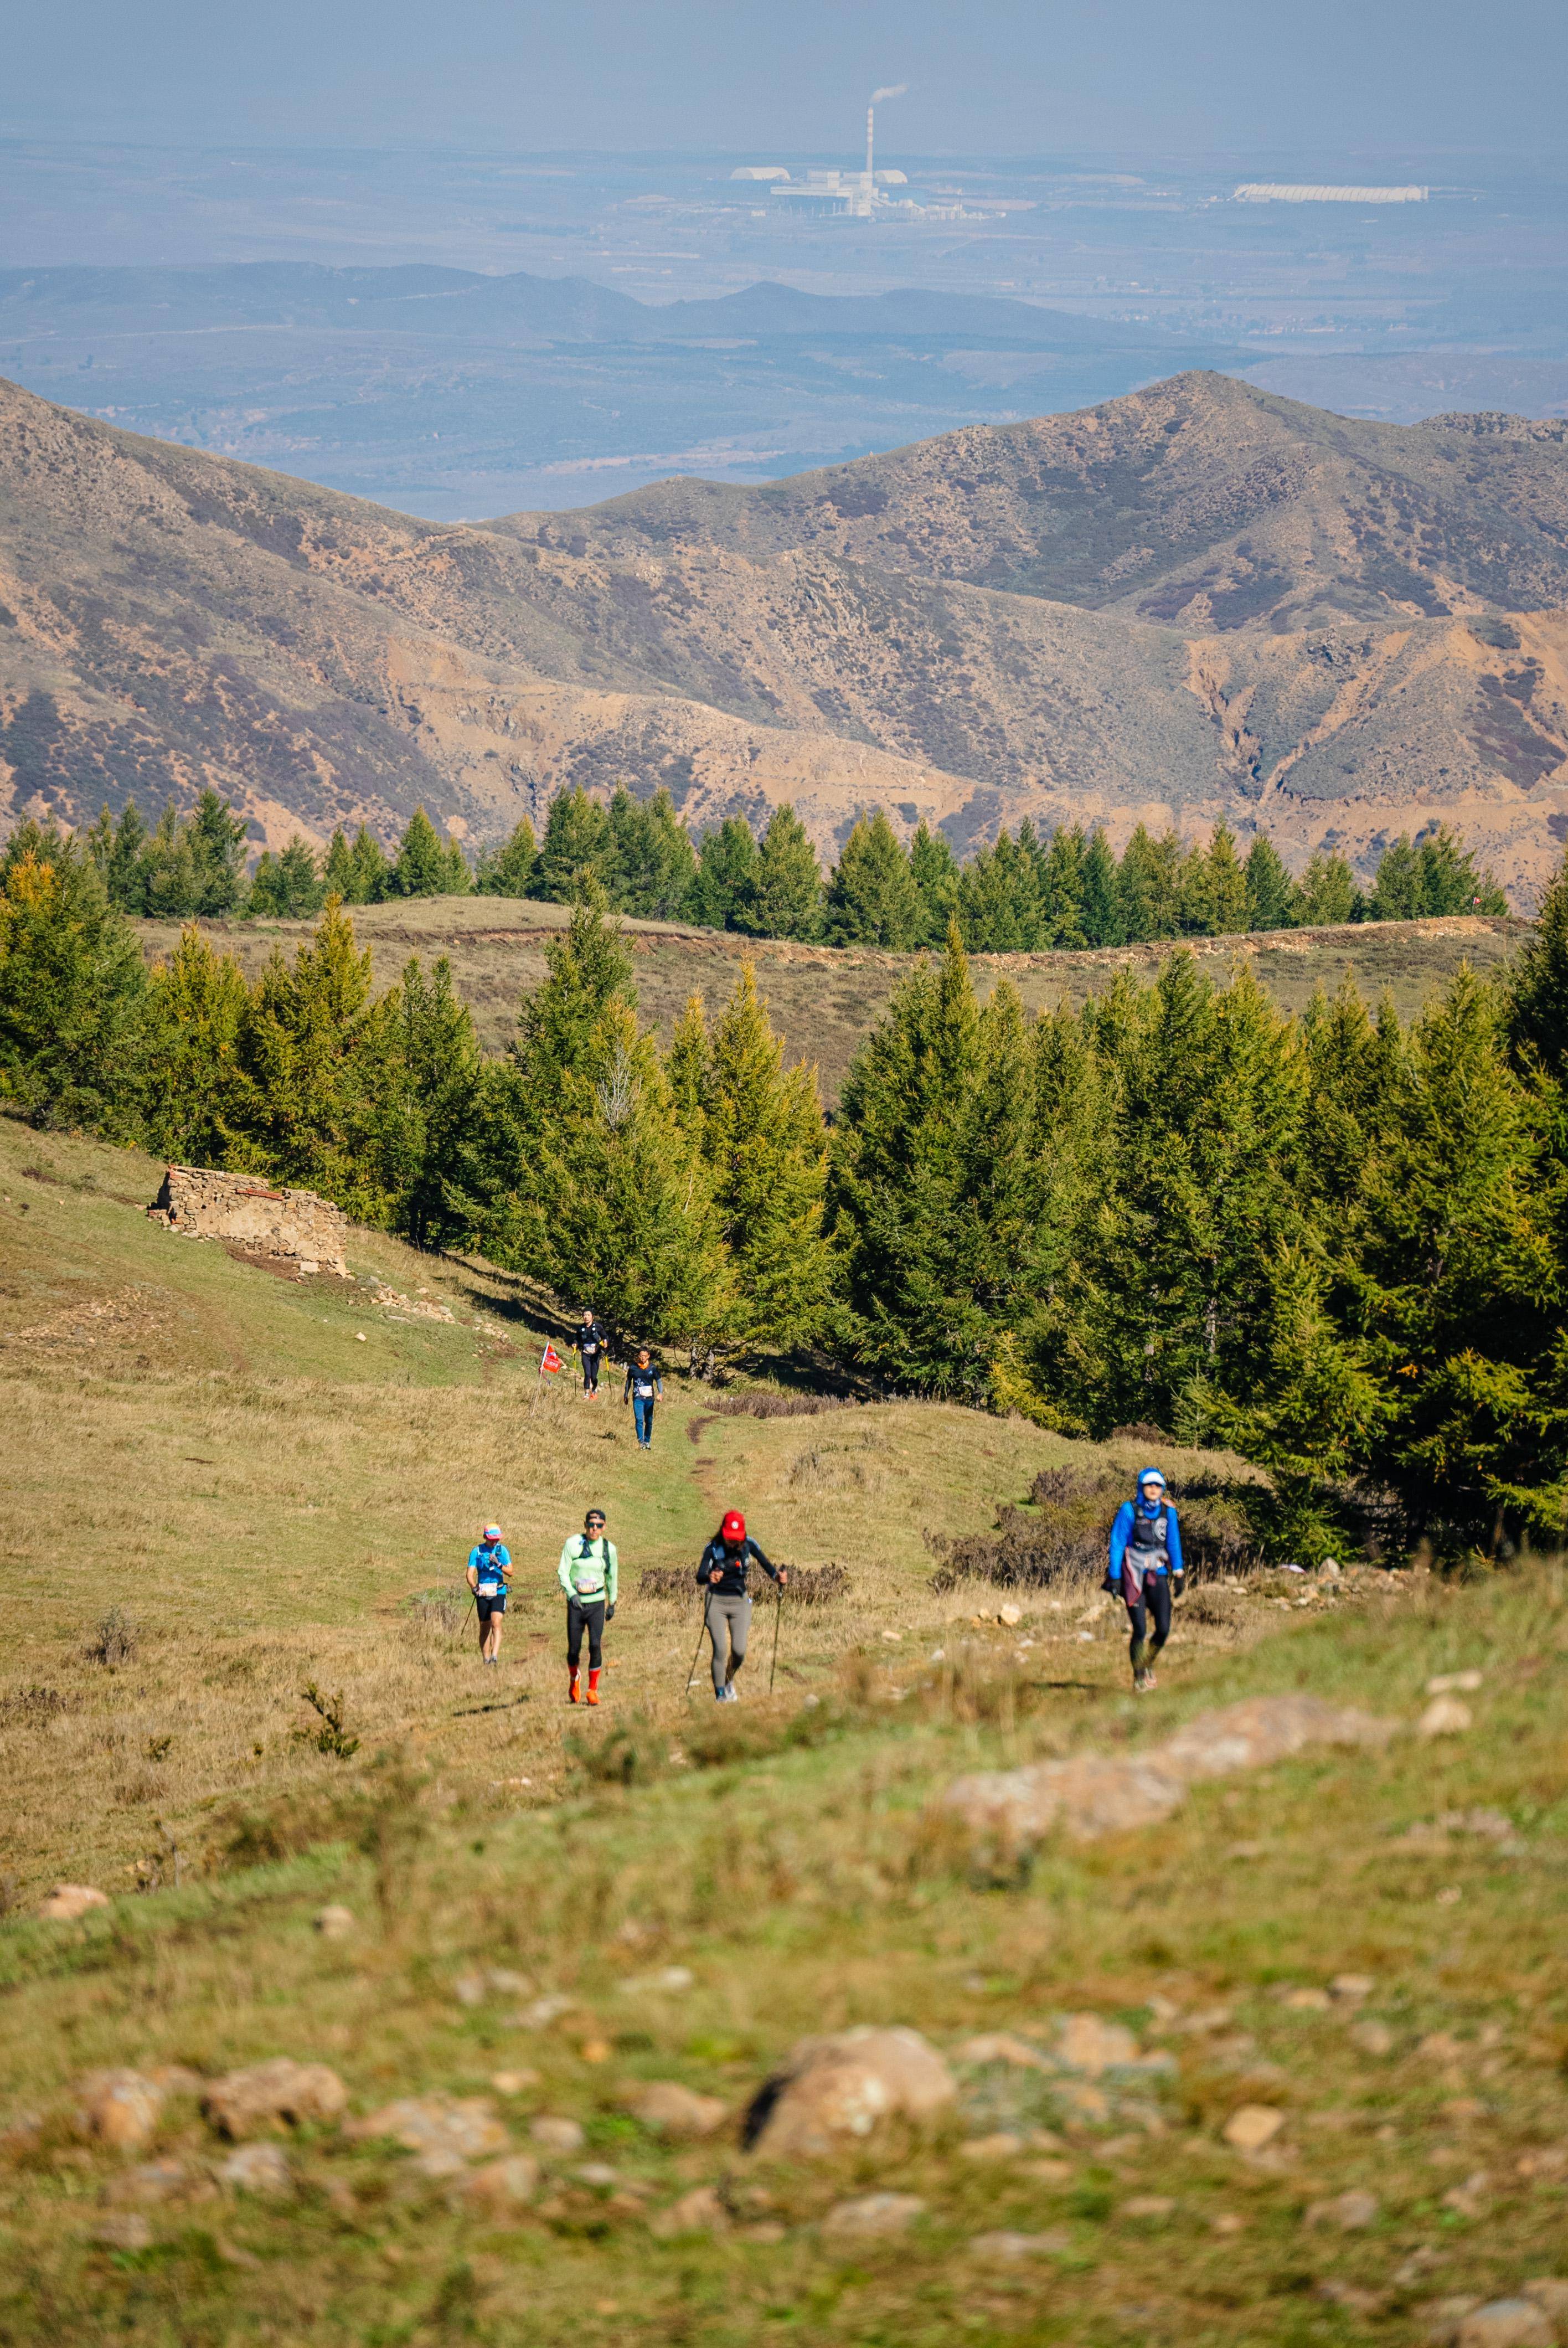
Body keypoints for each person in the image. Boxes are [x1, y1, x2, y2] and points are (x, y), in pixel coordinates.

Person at [1107, 1467, 1185, 1692]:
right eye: (1149, 1485)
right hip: (1133, 1576)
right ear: (1141, 1487)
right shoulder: (1129, 1510)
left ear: (1162, 1488)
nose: (1154, 1489)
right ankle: (1139, 1677)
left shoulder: (1168, 1512)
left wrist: (1178, 1573)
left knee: (1163, 1629)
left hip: (1159, 1574)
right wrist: (1115, 1577)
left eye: (1158, 1485)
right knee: (1140, 1629)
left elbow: (1173, 1542)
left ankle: (1148, 1661)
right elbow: (1118, 1542)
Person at [695, 1509, 786, 1702]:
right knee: (720, 1649)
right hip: (716, 1602)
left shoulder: (749, 1545)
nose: (733, 1543)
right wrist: (710, 1576)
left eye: (737, 1538)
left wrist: (778, 1577)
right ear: (723, 1532)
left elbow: (767, 1566)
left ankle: (728, 1680)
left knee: (739, 1651)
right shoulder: (713, 1548)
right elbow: (700, 1576)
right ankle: (720, 1696)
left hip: (740, 1603)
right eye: (730, 1538)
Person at [558, 1506, 618, 1704]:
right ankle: (574, 1679)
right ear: (585, 1525)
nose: (594, 1529)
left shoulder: (609, 1549)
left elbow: (612, 1577)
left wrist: (613, 1602)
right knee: (574, 1650)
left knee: (595, 1645)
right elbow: (562, 1572)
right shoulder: (572, 1544)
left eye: (599, 1526)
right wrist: (572, 1594)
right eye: (591, 1525)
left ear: (604, 1527)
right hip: (576, 1605)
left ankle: (593, 1690)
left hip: (597, 1603)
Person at [466, 1523, 513, 1667]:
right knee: (485, 1627)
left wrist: (499, 1564)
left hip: (499, 1591)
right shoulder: (477, 1552)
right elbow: (469, 1574)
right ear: (485, 1537)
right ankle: (486, 1660)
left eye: (497, 1539)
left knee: (496, 1623)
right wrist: (474, 1587)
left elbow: (511, 1572)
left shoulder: (502, 1551)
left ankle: (494, 1656)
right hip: (483, 1593)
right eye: (492, 1539)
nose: (495, 1542)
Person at [623, 1348, 662, 1450]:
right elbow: (628, 1381)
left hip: (649, 1398)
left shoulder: (653, 1368)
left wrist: (660, 1393)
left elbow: (659, 1381)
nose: (643, 1358)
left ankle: (647, 1441)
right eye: (641, 1356)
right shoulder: (633, 1368)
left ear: (649, 1356)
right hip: (638, 1397)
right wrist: (626, 1395)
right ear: (638, 1356)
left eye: (645, 1356)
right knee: (639, 1419)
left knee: (649, 1421)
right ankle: (641, 1442)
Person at [572, 1307, 607, 1399]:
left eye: (588, 1315)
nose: (586, 1317)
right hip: (585, 1354)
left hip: (596, 1355)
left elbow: (605, 1336)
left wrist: (606, 1341)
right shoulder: (581, 1328)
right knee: (587, 1374)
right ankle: (587, 1393)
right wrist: (575, 1343)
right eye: (584, 1315)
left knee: (594, 1377)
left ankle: (594, 1389)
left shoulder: (598, 1327)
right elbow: (577, 1338)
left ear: (593, 1317)